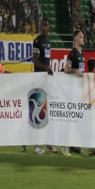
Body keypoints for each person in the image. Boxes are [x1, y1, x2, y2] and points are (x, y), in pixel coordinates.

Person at [32, 18, 57, 154]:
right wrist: (46, 68)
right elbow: (35, 61)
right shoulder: (37, 41)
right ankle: (37, 145)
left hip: (45, 81)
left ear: (49, 27)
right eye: (42, 25)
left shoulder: (47, 43)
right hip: (38, 80)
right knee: (38, 111)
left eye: (46, 25)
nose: (44, 27)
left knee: (47, 112)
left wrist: (47, 69)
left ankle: (48, 142)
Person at [61, 29, 86, 157]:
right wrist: (75, 70)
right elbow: (66, 69)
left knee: (78, 120)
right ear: (76, 39)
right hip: (71, 92)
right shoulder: (73, 53)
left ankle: (75, 145)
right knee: (69, 119)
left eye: (83, 37)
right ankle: (63, 145)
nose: (83, 39)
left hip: (79, 92)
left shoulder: (82, 55)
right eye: (81, 37)